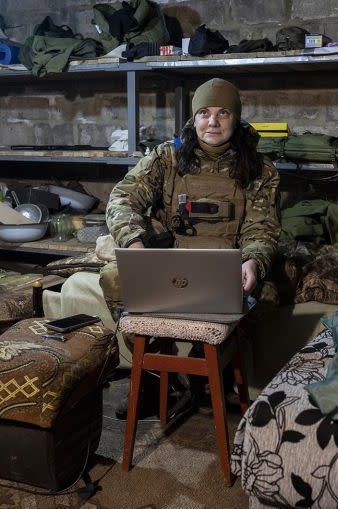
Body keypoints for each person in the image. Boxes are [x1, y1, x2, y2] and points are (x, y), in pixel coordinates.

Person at [49, 77, 281, 417]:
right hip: (173, 260)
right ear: (193, 117)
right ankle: (154, 380)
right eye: (204, 113)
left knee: (265, 292)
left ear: (237, 118)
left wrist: (254, 261)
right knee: (115, 278)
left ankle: (205, 374)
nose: (212, 122)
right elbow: (121, 198)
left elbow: (262, 226)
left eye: (222, 113)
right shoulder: (167, 158)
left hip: (228, 263)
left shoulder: (260, 169)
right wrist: (134, 243)